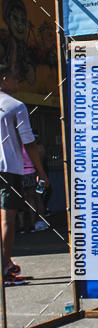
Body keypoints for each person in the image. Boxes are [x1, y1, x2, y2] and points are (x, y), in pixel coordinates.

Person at [0, 65, 48, 284]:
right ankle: (4, 271)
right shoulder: (16, 106)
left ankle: (6, 264)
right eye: (15, 78)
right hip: (8, 169)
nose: (18, 82)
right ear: (4, 80)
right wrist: (41, 171)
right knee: (7, 219)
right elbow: (29, 142)